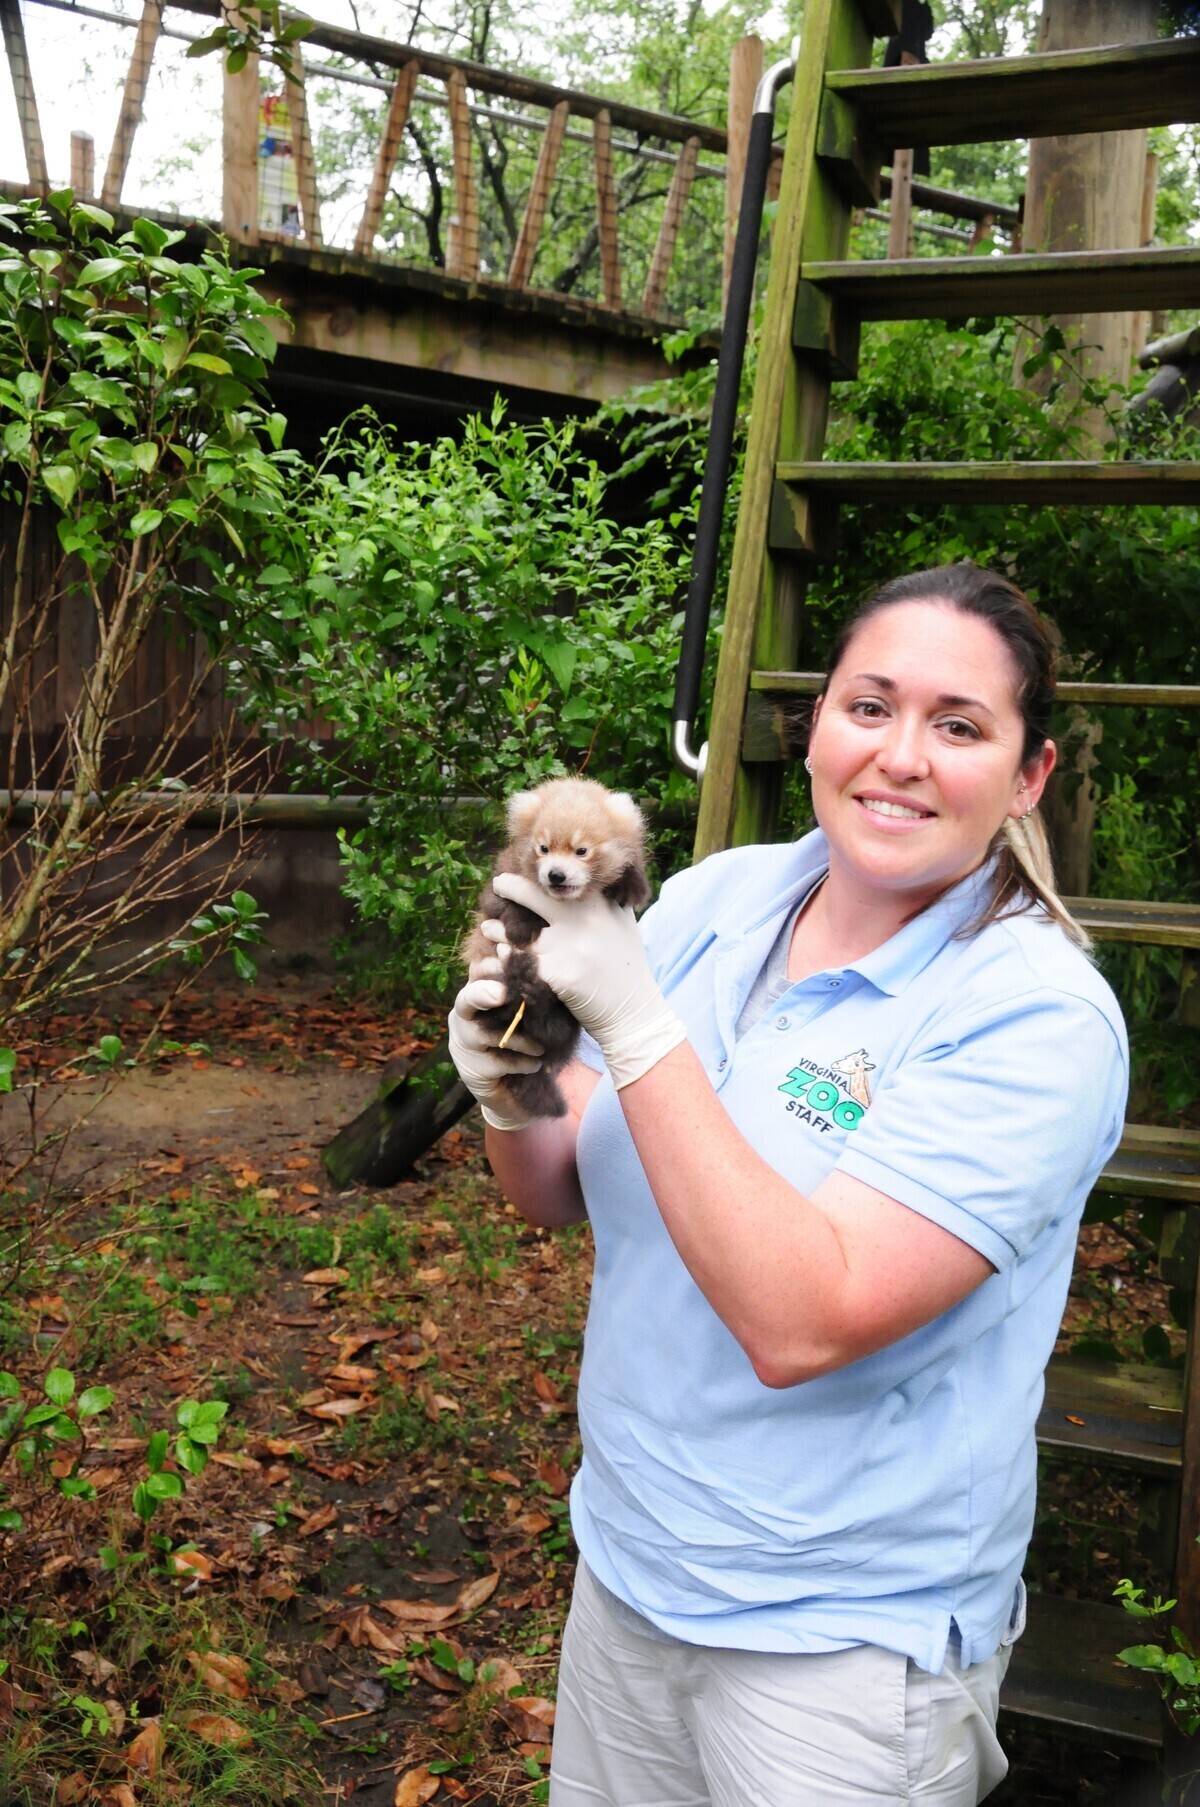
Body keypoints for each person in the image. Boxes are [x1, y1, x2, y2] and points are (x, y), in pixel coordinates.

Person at [448, 562, 1129, 1807]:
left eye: (960, 725)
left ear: (1027, 776)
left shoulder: (1036, 1017)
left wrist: (641, 1030)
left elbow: (804, 1318)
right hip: (631, 1567)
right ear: (815, 723)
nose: (902, 756)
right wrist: (512, 1080)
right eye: (868, 706)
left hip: (844, 1652)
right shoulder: (720, 898)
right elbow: (553, 1188)